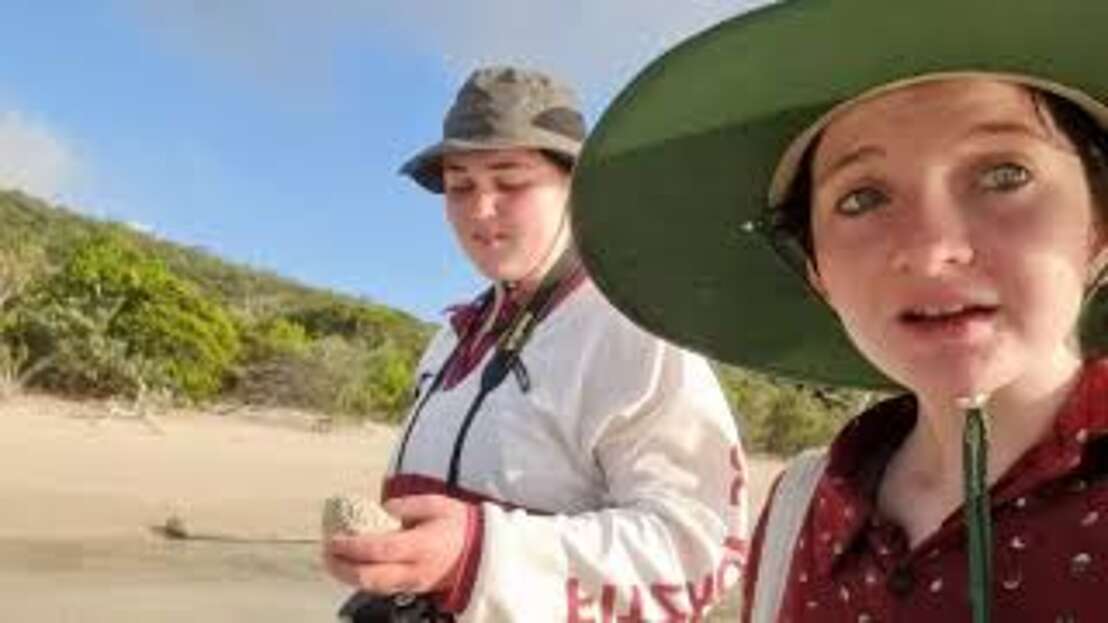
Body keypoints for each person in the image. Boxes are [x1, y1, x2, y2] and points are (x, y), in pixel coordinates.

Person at [568, 1, 1108, 622]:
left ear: (1098, 224)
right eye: (863, 198)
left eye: (1005, 174)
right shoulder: (800, 513)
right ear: (817, 270)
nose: (932, 252)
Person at [322, 66, 748, 622]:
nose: (480, 209)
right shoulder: (449, 338)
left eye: (510, 181)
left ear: (578, 186)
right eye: (460, 186)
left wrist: (478, 554)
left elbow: (700, 547)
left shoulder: (636, 330)